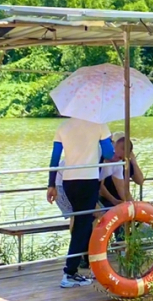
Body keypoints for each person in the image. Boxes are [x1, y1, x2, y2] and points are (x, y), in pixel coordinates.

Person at [46, 117, 114, 288]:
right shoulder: (99, 124)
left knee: (81, 225)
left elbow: (55, 159)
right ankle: (69, 273)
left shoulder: (63, 127)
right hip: (88, 180)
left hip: (68, 181)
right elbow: (109, 154)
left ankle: (73, 270)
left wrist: (51, 185)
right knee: (82, 227)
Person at [100, 133, 145, 209]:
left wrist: (134, 207)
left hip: (109, 199)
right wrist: (114, 201)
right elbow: (99, 188)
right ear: (113, 144)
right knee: (100, 215)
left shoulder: (119, 162)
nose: (115, 158)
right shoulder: (100, 156)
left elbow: (122, 188)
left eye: (120, 157)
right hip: (86, 189)